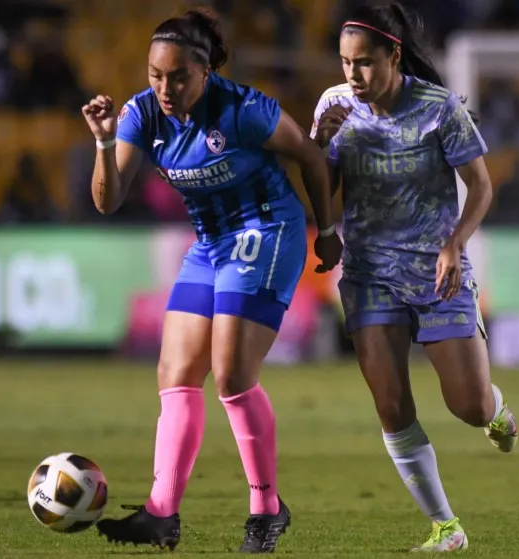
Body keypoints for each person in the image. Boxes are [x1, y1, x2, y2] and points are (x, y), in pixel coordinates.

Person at [82, 8, 343, 554]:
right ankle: (160, 514)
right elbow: (106, 202)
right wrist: (105, 142)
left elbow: (309, 157)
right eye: (156, 75)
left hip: (268, 228)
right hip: (210, 244)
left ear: (206, 71)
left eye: (178, 76)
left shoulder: (245, 109)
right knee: (175, 371)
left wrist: (327, 229)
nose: (165, 87)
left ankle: (267, 510)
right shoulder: (142, 115)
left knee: (230, 375)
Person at [311, 3, 519, 552]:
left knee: (468, 406)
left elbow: (480, 187)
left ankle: (496, 411)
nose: (351, 75)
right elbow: (318, 184)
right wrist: (316, 151)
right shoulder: (333, 106)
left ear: (393, 56)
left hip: (436, 273)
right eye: (344, 62)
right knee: (391, 404)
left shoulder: (439, 108)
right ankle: (445, 526)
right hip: (369, 273)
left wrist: (454, 245)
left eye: (363, 63)